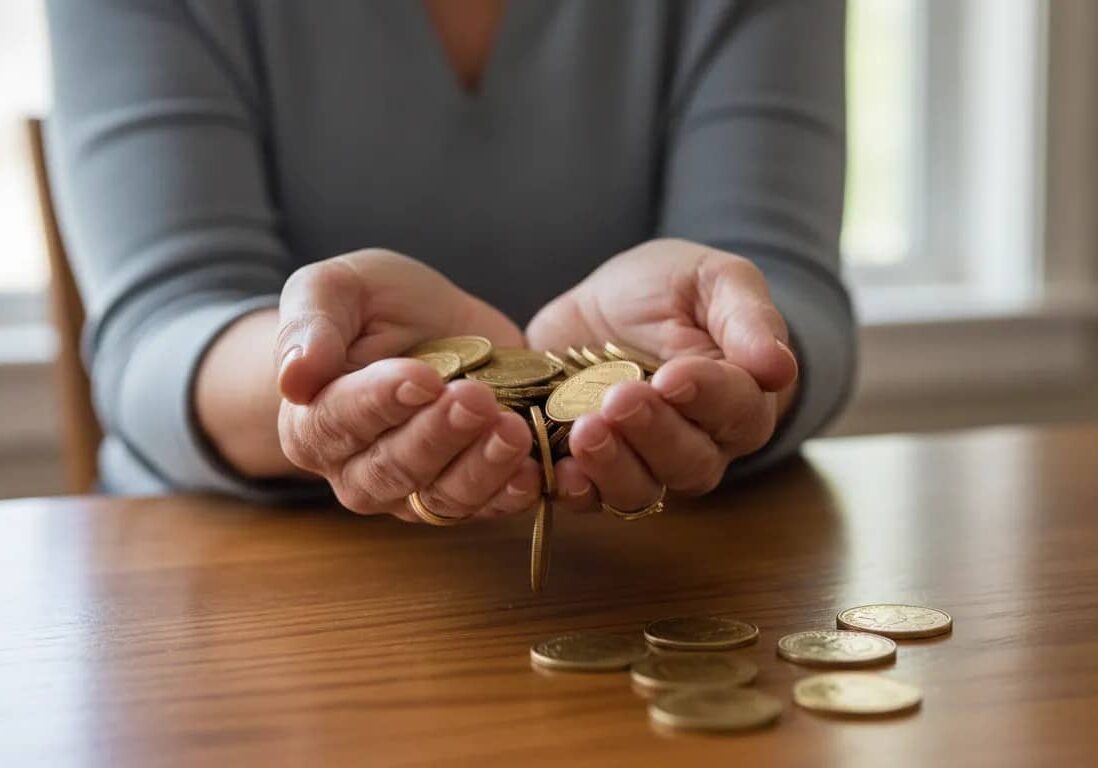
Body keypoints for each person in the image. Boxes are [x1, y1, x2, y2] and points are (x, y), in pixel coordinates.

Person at [45, 0, 855, 523]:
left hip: (672, 557)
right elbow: (156, 336)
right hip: (235, 577)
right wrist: (313, 391)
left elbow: (788, 284)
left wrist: (738, 361)